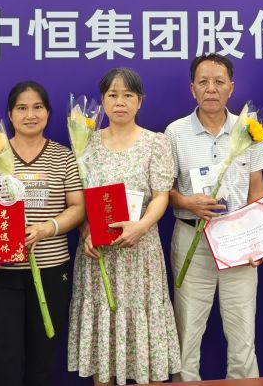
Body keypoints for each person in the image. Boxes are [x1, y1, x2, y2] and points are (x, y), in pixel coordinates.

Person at [0, 80, 86, 386]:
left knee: (42, 360)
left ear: (48, 113)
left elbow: (78, 207)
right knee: (5, 360)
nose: (30, 115)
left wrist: (47, 228)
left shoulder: (63, 156)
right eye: (21, 108)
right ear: (10, 114)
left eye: (37, 107)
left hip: (51, 268)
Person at [67, 67, 181, 385]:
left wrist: (140, 226)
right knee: (104, 333)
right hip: (99, 256)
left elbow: (161, 196)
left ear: (140, 102)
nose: (120, 102)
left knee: (145, 337)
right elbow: (79, 199)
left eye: (128, 95)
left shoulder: (156, 143)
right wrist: (85, 233)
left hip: (140, 253)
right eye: (113, 95)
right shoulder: (85, 144)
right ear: (103, 101)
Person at [164, 54, 263, 381]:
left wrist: (261, 241)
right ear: (192, 88)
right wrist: (188, 203)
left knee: (242, 331)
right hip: (191, 239)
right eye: (203, 82)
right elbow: (164, 192)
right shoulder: (175, 133)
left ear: (231, 87)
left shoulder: (249, 130)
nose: (211, 89)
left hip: (239, 243)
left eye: (219, 82)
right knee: (187, 331)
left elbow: (257, 191)